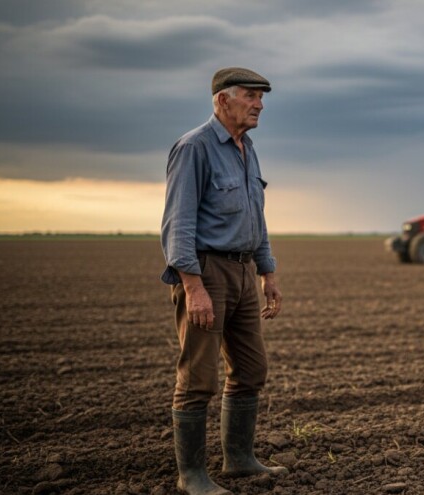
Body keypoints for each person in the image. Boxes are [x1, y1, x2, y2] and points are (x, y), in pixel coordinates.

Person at [160, 67, 287, 495]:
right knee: (199, 378)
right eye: (250, 96)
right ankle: (192, 475)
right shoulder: (194, 147)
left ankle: (239, 459)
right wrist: (193, 286)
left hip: (242, 271)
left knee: (251, 369)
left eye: (261, 97)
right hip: (206, 271)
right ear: (222, 101)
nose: (259, 104)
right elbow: (178, 223)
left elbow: (257, 217)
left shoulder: (247, 148)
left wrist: (267, 272)